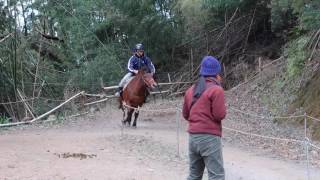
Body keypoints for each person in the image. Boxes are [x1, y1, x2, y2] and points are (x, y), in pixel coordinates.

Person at [182, 56, 226, 180]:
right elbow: (219, 115)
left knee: (194, 175)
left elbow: (186, 114)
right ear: (217, 73)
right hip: (209, 138)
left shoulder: (190, 90)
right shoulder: (216, 90)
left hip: (193, 137)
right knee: (216, 176)